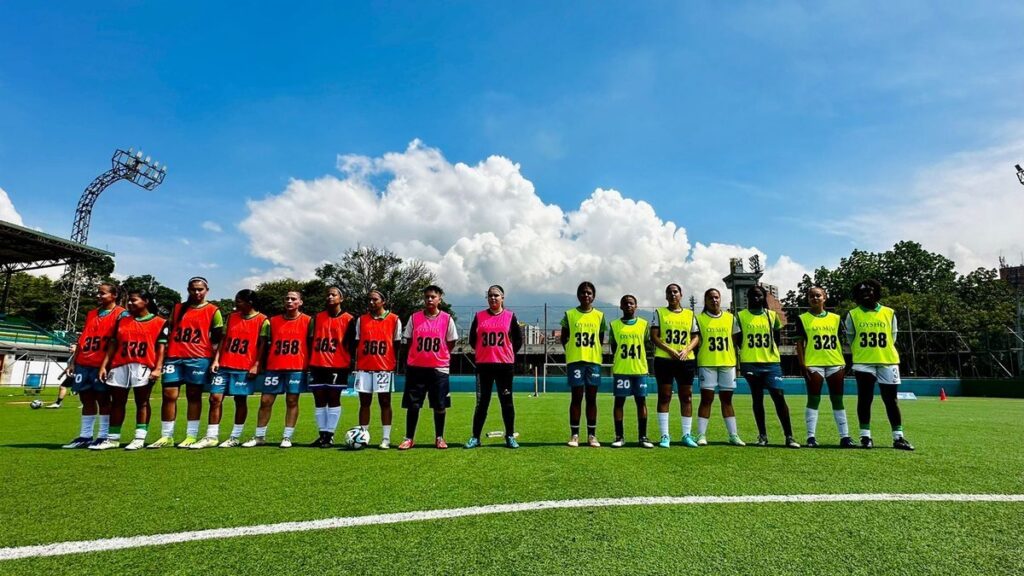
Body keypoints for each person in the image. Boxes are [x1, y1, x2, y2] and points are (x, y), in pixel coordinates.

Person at [149, 277, 224, 449]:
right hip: (174, 356)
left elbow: (218, 338)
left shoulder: (213, 310)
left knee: (193, 396)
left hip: (198, 358)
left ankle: (191, 435)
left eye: (200, 289)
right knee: (168, 395)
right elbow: (168, 329)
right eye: (193, 289)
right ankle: (166, 436)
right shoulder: (177, 308)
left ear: (207, 290)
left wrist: (214, 358)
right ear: (188, 290)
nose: (197, 292)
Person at [844, 279, 914, 450]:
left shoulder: (889, 313)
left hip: (887, 360)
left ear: (877, 292)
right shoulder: (853, 314)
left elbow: (893, 336)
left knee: (891, 400)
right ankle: (865, 436)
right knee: (865, 399)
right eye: (861, 291)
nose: (866, 293)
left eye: (869, 290)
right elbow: (851, 338)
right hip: (863, 362)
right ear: (857, 295)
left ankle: (898, 437)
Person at [92, 290, 166, 450]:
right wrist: (104, 365)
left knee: (142, 402)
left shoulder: (159, 322)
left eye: (134, 300)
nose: (130, 304)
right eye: (129, 301)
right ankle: (113, 439)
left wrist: (158, 368)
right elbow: (113, 344)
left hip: (143, 365)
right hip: (120, 365)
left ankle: (139, 438)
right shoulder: (122, 320)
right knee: (117, 402)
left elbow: (161, 347)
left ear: (146, 301)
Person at [196, 290, 269, 449]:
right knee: (214, 398)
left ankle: (234, 437)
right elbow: (224, 340)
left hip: (243, 367)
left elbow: (262, 346)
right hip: (224, 365)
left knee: (240, 400)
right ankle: (211, 436)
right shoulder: (232, 317)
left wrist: (256, 364)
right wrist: (216, 360)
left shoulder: (263, 320)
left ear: (250, 302)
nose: (236, 303)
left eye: (239, 301)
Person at [243, 291, 311, 448]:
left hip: (296, 367)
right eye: (286, 298)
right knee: (265, 401)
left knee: (292, 400)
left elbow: (311, 343)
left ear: (300, 302)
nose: (289, 301)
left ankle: (287, 437)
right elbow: (263, 344)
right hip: (274, 367)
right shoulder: (272, 321)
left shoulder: (308, 321)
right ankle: (259, 436)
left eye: (293, 299)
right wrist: (258, 363)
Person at [735, 285, 799, 448]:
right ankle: (762, 435)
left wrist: (769, 353)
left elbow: (776, 338)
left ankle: (789, 436)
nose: (756, 298)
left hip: (771, 363)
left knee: (778, 395)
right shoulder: (740, 316)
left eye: (759, 296)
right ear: (748, 298)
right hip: (750, 362)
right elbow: (738, 339)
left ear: (764, 298)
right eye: (753, 296)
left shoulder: (771, 316)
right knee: (757, 398)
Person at [61, 284, 125, 448]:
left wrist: (108, 364)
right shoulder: (91, 313)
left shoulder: (121, 314)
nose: (98, 296)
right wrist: (73, 362)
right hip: (84, 362)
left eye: (102, 293)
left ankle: (103, 436)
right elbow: (82, 339)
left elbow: (117, 341)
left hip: (101, 363)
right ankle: (85, 436)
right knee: (86, 398)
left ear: (114, 295)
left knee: (103, 399)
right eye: (97, 293)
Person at [398, 285, 458, 450]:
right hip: (416, 368)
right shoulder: (414, 318)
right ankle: (409, 438)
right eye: (427, 297)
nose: (429, 299)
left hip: (439, 369)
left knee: (439, 405)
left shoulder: (447, 319)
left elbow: (451, 341)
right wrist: (418, 356)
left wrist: (439, 355)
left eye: (433, 296)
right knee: (413, 405)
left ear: (440, 299)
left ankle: (439, 437)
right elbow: (408, 339)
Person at [795, 286, 854, 448]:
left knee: (838, 400)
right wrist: (802, 363)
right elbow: (799, 344)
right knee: (813, 399)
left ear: (824, 297)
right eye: (811, 296)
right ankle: (811, 437)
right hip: (814, 363)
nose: (815, 298)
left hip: (835, 362)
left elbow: (845, 340)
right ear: (808, 299)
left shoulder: (836, 318)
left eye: (818, 295)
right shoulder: (803, 318)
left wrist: (845, 361)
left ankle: (845, 437)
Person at [466, 285, 524, 449]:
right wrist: (484, 353)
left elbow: (518, 340)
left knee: (506, 402)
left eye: (496, 295)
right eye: (490, 295)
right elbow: (472, 339)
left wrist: (506, 353)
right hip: (484, 366)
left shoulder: (510, 316)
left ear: (502, 298)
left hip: (504, 366)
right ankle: (475, 437)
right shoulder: (479, 316)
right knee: (482, 402)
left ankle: (510, 436)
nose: (493, 298)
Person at [649, 283, 701, 448]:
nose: (673, 295)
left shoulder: (690, 314)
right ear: (666, 296)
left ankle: (686, 434)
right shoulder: (659, 313)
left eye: (675, 292)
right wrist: (669, 350)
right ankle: (665, 435)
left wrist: (686, 349)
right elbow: (654, 336)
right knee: (665, 396)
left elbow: (696, 337)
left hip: (686, 360)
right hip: (664, 360)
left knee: (686, 397)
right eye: (669, 292)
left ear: (681, 294)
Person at [694, 288, 745, 446]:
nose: (714, 300)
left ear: (720, 299)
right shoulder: (699, 318)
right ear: (705, 301)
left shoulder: (730, 318)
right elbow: (696, 341)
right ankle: (701, 435)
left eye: (716, 297)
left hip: (727, 363)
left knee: (727, 400)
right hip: (707, 363)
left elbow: (735, 340)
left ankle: (733, 435)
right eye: (710, 298)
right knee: (706, 399)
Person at [352, 290, 401, 450]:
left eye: (375, 299)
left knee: (385, 402)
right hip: (364, 367)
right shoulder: (361, 320)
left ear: (383, 301)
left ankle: (386, 438)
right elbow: (357, 343)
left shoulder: (394, 319)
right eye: (369, 300)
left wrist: (393, 364)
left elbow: (397, 344)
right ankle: (362, 436)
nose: (371, 302)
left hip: (384, 368)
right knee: (364, 402)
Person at [308, 287, 355, 448]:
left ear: (341, 299)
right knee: (319, 399)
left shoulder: (349, 319)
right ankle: (322, 434)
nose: (330, 297)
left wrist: (350, 363)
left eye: (333, 295)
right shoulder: (318, 317)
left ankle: (330, 435)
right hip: (317, 363)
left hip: (338, 364)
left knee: (333, 398)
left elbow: (351, 344)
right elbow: (310, 339)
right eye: (327, 294)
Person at [561, 281, 606, 448]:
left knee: (592, 398)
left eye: (589, 293)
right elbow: (564, 338)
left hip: (593, 362)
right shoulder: (570, 314)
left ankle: (592, 435)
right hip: (576, 362)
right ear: (578, 295)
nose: (586, 295)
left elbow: (600, 339)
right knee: (576, 397)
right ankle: (574, 435)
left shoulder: (600, 316)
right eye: (583, 292)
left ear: (593, 296)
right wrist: (575, 351)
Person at [609, 295, 653, 448]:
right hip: (622, 370)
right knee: (619, 402)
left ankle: (643, 437)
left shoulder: (643, 324)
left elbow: (647, 344)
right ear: (620, 306)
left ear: (636, 306)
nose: (628, 305)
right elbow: (614, 347)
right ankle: (619, 436)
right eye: (625, 303)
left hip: (639, 370)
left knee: (641, 402)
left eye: (631, 303)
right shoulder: (614, 325)